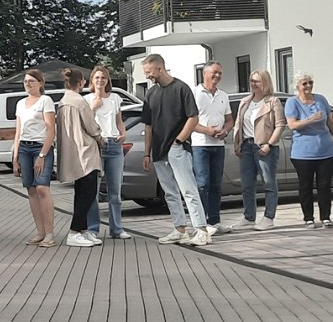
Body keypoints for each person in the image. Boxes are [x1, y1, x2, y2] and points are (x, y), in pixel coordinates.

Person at [139, 55, 209, 246]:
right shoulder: (151, 94)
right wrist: (147, 152)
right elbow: (149, 126)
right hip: (159, 150)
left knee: (188, 189)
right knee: (170, 192)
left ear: (159, 68)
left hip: (177, 148)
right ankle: (180, 229)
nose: (148, 76)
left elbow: (193, 118)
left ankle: (201, 229)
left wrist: (179, 140)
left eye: (149, 72)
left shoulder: (181, 88)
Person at [228, 69, 285, 231]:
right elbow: (238, 123)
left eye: (257, 81)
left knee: (268, 183)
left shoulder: (272, 101)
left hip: (264, 146)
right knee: (246, 184)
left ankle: (269, 217)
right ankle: (249, 217)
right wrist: (237, 143)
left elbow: (280, 125)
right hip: (246, 146)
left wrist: (269, 144)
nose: (253, 84)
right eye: (252, 81)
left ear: (265, 83)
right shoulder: (245, 101)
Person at [55, 68, 105, 248]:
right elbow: (91, 127)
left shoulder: (62, 101)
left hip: (71, 152)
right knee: (88, 193)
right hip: (85, 151)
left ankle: (82, 230)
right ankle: (75, 231)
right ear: (81, 82)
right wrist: (99, 137)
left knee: (80, 191)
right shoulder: (80, 101)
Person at [284, 72, 333, 228]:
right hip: (303, 153)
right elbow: (292, 125)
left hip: (325, 150)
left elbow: (330, 121)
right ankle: (308, 217)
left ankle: (326, 217)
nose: (308, 86)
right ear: (298, 86)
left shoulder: (321, 99)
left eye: (310, 82)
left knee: (324, 185)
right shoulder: (292, 102)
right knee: (305, 185)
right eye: (304, 83)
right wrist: (310, 119)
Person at [12, 69, 58, 247]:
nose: (28, 84)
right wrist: (15, 157)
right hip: (24, 147)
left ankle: (49, 233)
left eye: (32, 81)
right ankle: (40, 231)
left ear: (40, 83)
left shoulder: (45, 101)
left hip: (41, 147)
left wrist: (42, 155)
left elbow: (51, 130)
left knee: (42, 188)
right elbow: (18, 131)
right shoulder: (20, 103)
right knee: (31, 189)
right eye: (25, 81)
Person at [85, 66, 130, 239]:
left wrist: (123, 133)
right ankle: (93, 229)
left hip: (114, 145)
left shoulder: (115, 98)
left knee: (115, 192)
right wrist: (93, 108)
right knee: (93, 191)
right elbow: (84, 122)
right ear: (92, 80)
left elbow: (119, 121)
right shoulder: (87, 100)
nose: (100, 80)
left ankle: (117, 229)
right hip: (96, 145)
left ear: (107, 80)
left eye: (103, 78)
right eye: (97, 78)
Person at [191, 62, 234, 236]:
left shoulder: (223, 95)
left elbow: (229, 119)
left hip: (218, 145)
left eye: (220, 73)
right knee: (202, 185)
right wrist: (207, 131)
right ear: (205, 73)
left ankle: (215, 221)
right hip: (200, 144)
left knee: (216, 184)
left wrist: (225, 131)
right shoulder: (195, 93)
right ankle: (200, 223)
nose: (217, 76)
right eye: (214, 73)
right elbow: (190, 122)